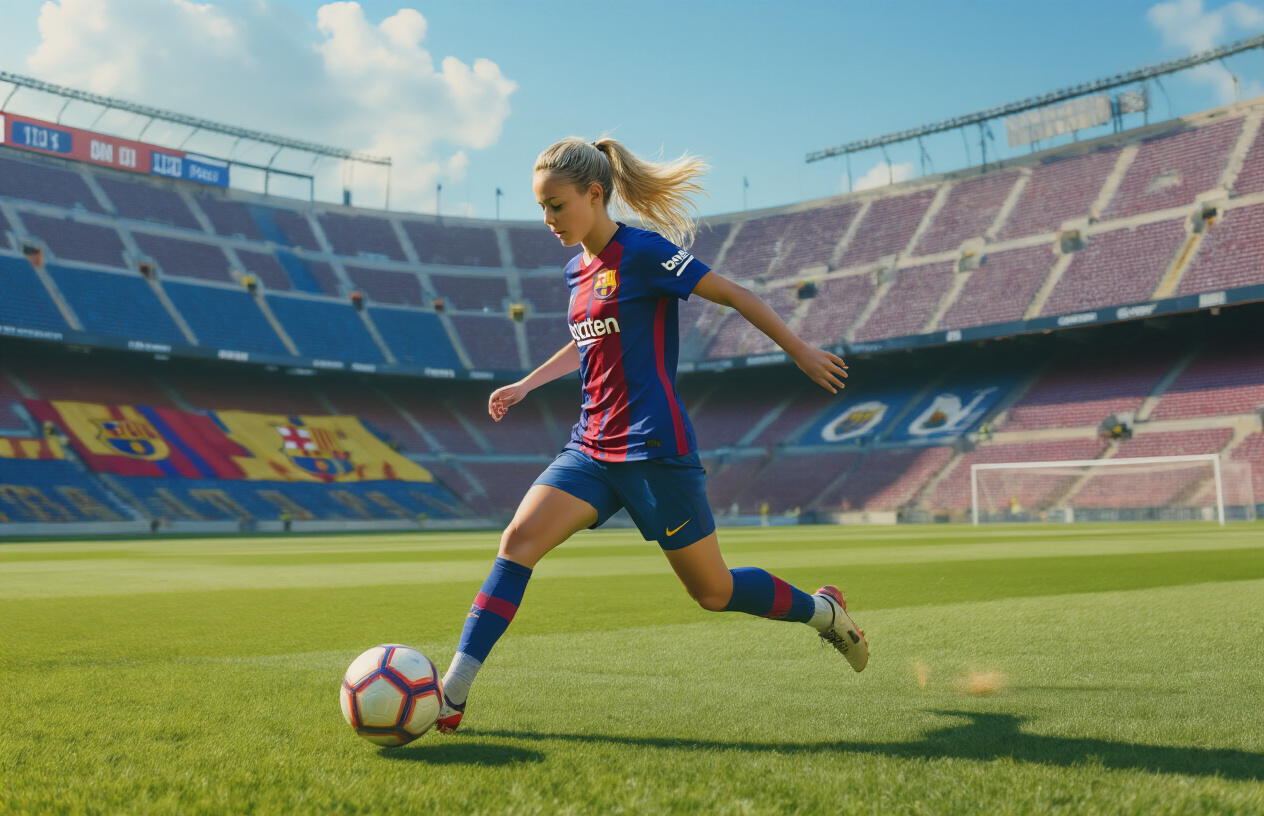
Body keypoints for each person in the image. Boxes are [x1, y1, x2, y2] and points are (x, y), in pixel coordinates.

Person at [435, 136, 867, 734]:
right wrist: (527, 384)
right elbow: (590, 336)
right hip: (589, 447)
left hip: (652, 449)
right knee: (517, 541)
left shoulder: (642, 253)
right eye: (542, 207)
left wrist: (799, 350)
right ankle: (451, 693)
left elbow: (733, 294)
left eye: (556, 205)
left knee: (713, 593)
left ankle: (823, 612)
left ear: (593, 194)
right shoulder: (575, 270)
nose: (547, 219)